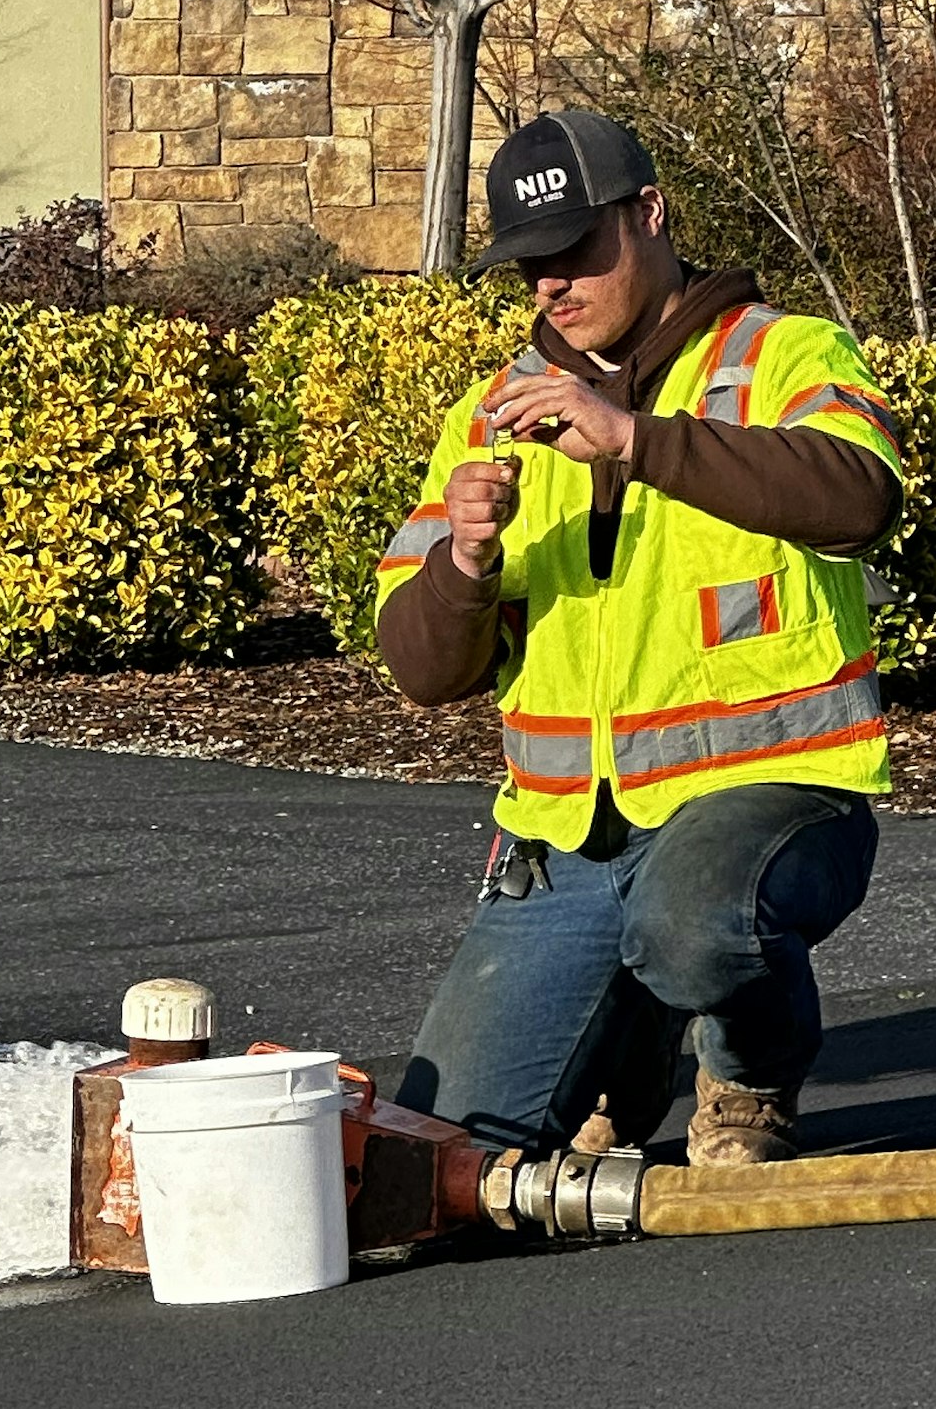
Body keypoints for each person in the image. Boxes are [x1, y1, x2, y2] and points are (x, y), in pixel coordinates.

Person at [379, 110, 903, 1166]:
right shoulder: (490, 412)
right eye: (527, 266)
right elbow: (420, 669)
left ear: (650, 215)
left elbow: (860, 497)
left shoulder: (781, 353)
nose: (549, 286)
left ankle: (748, 1076)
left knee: (689, 927)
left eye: (572, 251)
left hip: (772, 801)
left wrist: (634, 438)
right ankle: (633, 1044)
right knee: (445, 1160)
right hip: (567, 841)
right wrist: (464, 566)